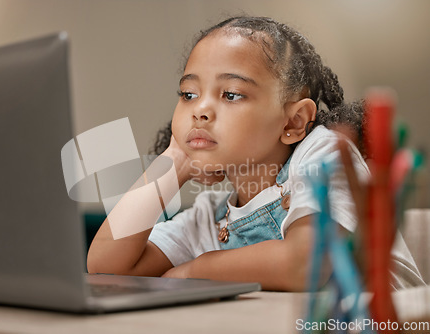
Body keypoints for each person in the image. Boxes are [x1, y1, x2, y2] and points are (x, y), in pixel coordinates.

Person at [87, 16, 424, 291]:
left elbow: (307, 261)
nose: (200, 110)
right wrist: (174, 160)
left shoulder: (323, 154)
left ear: (292, 122)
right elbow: (106, 269)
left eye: (231, 94)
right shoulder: (209, 218)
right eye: (189, 94)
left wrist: (195, 270)